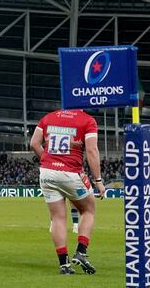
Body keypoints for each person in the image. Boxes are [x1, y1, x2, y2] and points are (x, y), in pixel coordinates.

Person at [30, 108, 105, 275]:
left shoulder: (48, 117)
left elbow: (34, 143)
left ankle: (64, 264)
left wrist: (48, 160)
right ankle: (81, 252)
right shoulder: (87, 120)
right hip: (71, 172)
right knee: (88, 210)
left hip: (47, 172)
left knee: (57, 217)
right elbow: (92, 151)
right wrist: (98, 180)